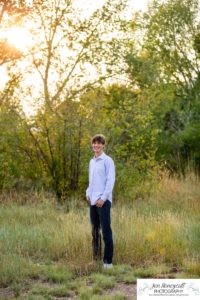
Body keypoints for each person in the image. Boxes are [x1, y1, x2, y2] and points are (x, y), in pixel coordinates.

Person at [86, 134, 115, 269]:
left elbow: (110, 181)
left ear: (103, 145)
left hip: (103, 201)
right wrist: (88, 193)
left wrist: (103, 199)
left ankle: (108, 262)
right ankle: (96, 259)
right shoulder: (92, 161)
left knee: (106, 231)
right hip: (93, 201)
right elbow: (91, 182)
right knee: (95, 231)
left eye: (99, 143)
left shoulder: (107, 161)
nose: (96, 145)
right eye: (94, 143)